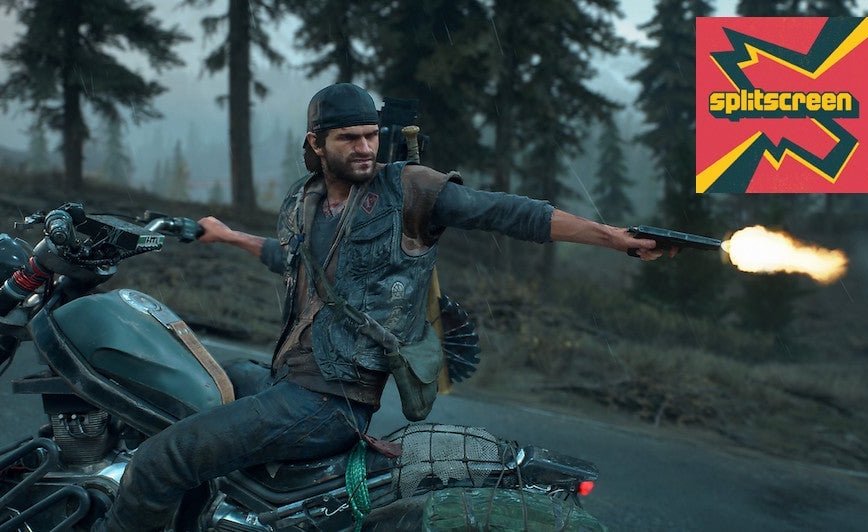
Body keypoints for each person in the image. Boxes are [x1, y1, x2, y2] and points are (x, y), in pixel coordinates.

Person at [94, 83, 670, 531]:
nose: (365, 148)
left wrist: (613, 237)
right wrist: (228, 236)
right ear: (316, 144)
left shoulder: (408, 190)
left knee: (159, 461)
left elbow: (508, 212)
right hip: (288, 381)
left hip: (327, 403)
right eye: (349, 138)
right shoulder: (305, 201)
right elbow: (292, 262)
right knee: (194, 389)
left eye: (370, 135)